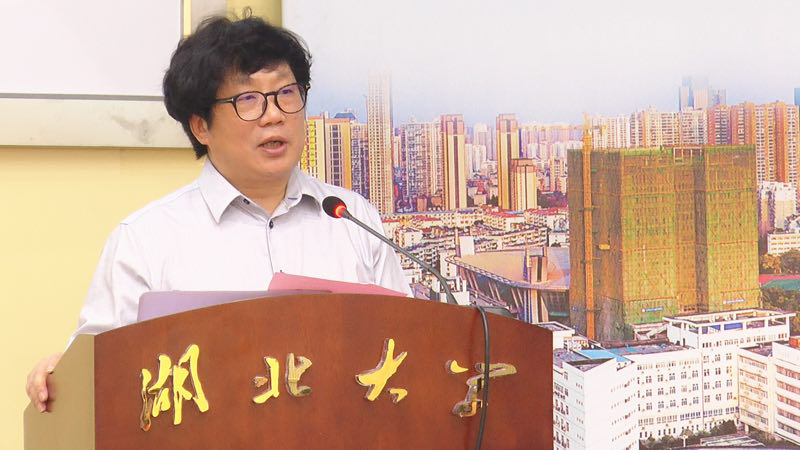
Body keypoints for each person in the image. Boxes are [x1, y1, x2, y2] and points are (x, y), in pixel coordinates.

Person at [25, 14, 411, 412]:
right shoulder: (146, 240)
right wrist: (61, 375)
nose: (275, 115)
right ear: (201, 127)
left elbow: (407, 350)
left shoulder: (352, 219)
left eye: (286, 93)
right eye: (248, 100)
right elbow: (97, 374)